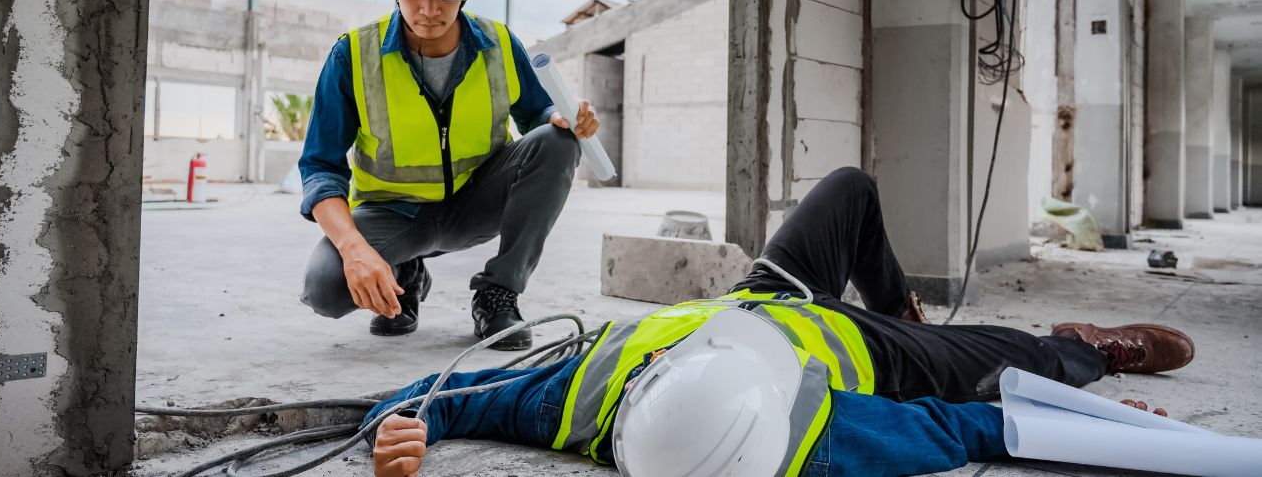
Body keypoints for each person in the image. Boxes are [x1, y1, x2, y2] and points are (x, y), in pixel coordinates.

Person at [364, 168, 1196, 477]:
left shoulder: (569, 397)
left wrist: (394, 429)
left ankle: (906, 307)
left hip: (767, 297)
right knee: (1028, 360)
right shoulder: (823, 436)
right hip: (873, 355)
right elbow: (973, 426)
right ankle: (1085, 350)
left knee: (851, 189)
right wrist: (1099, 424)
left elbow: (441, 396)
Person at [299, 0, 600, 351]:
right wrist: (354, 249)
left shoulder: (499, 43)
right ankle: (405, 274)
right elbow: (320, 167)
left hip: (475, 205)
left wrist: (562, 117)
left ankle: (498, 292)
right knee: (325, 288)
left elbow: (539, 115)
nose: (428, 10)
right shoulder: (353, 55)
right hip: (394, 215)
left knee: (560, 140)